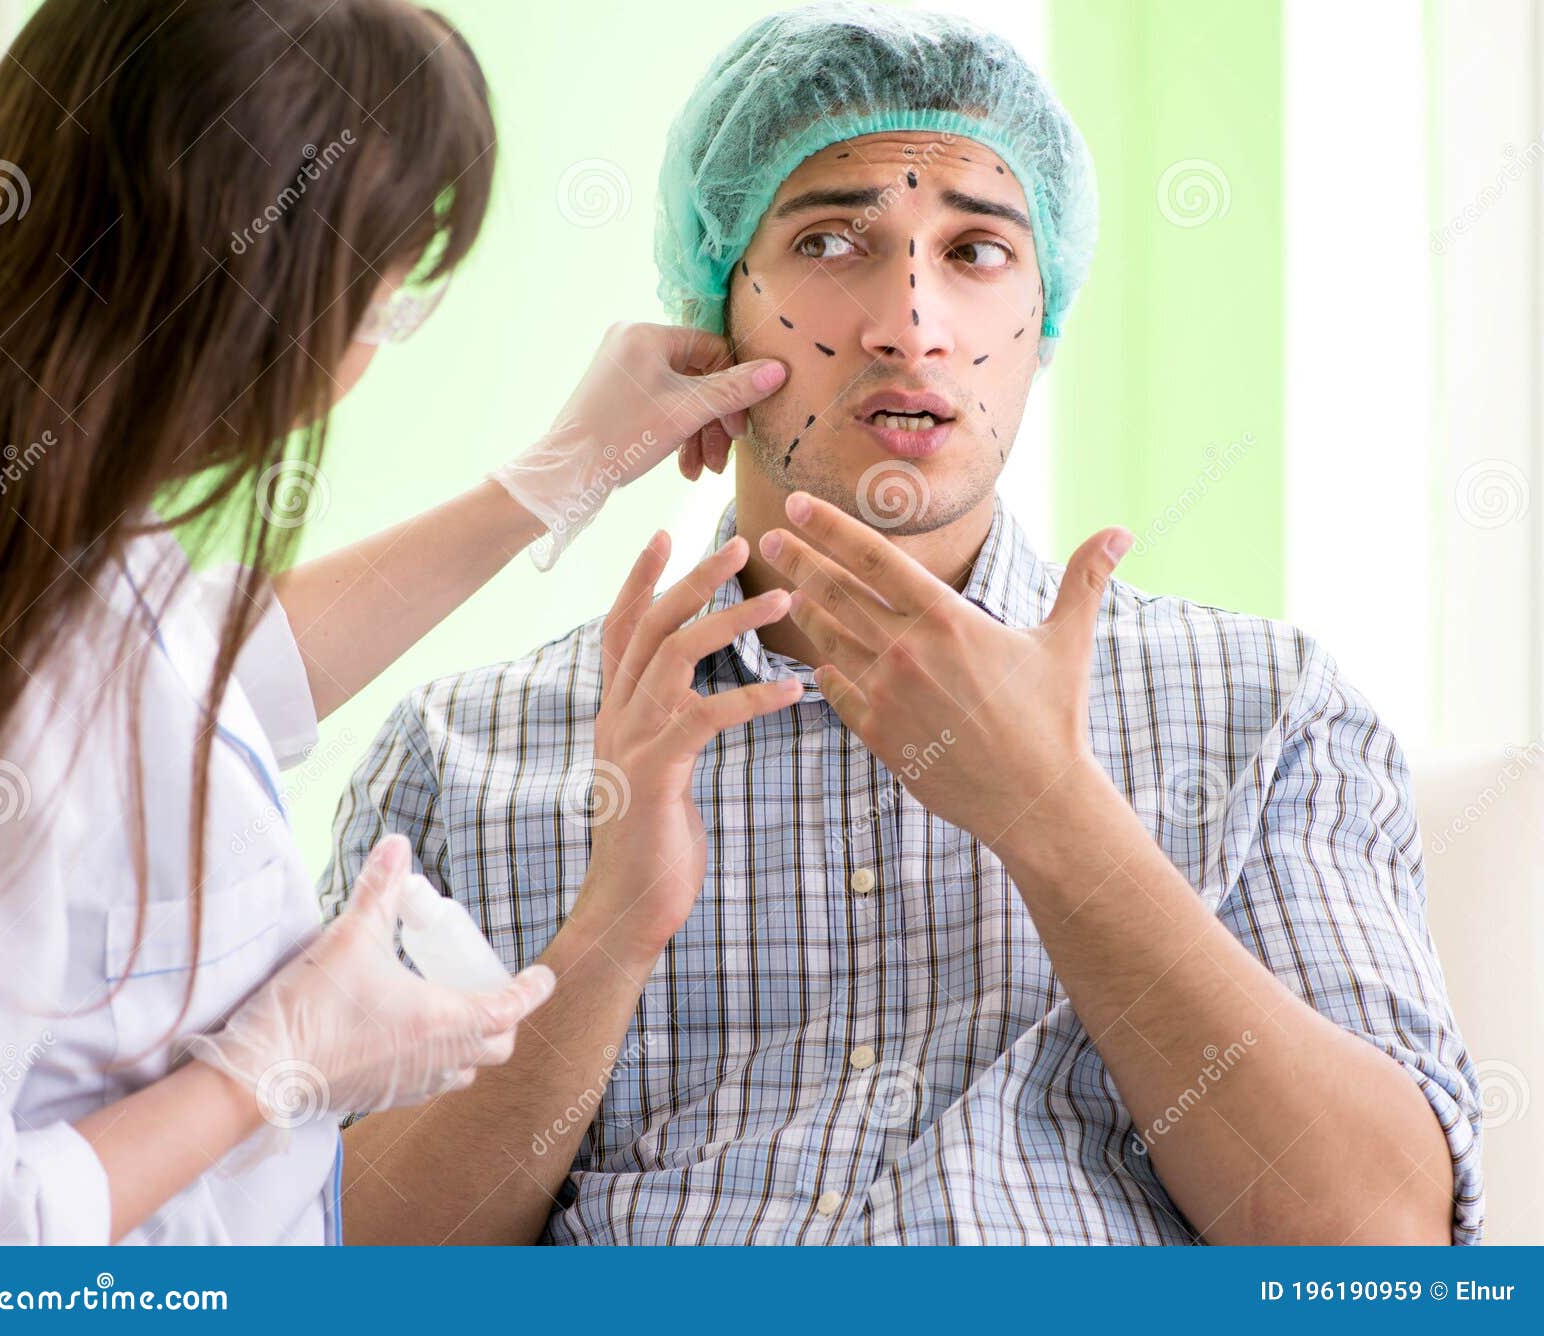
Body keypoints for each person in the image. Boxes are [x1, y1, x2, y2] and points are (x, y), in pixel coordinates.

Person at [323, 2, 1483, 1245]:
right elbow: (358, 1265)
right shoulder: (463, 756)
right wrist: (607, 934)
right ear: (716, 310)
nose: (907, 324)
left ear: (1044, 325)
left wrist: (1055, 817)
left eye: (977, 253)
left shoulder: (1267, 710)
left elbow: (1382, 1249)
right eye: (831, 241)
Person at [0, 0, 786, 1245]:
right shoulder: (10, 689)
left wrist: (551, 477)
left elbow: (207, 666)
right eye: (387, 297)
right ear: (247, 289)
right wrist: (267, 1072)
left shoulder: (41, 525)